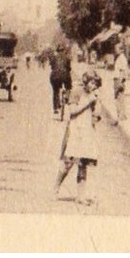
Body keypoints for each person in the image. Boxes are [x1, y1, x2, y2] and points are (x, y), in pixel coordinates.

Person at [57, 70, 107, 206]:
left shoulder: (93, 95)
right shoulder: (77, 92)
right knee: (68, 163)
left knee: (83, 164)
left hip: (86, 131)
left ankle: (81, 196)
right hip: (75, 130)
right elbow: (72, 111)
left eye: (95, 84)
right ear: (86, 81)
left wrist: (98, 104)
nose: (93, 86)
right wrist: (88, 101)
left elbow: (96, 116)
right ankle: (55, 187)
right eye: (91, 82)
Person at [49, 44, 72, 117]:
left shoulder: (54, 57)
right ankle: (67, 97)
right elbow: (69, 68)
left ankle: (55, 108)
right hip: (65, 75)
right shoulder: (67, 57)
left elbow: (52, 66)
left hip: (54, 76)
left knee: (55, 91)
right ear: (64, 50)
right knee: (69, 86)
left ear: (57, 50)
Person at [111, 47, 129, 121]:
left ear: (121, 50)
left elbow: (122, 71)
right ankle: (122, 115)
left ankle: (120, 115)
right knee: (119, 97)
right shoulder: (120, 58)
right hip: (118, 79)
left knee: (118, 97)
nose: (115, 50)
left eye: (117, 49)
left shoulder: (122, 59)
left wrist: (121, 82)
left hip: (118, 79)